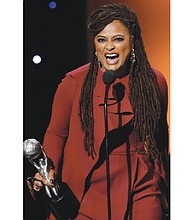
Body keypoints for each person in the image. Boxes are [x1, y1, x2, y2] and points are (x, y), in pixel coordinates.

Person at [30, 3, 169, 220]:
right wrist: (49, 169)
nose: (109, 47)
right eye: (101, 40)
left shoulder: (154, 81)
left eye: (118, 39)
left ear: (132, 41)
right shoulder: (74, 83)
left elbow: (159, 133)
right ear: (95, 44)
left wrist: (160, 180)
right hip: (87, 192)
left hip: (141, 189)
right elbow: (57, 133)